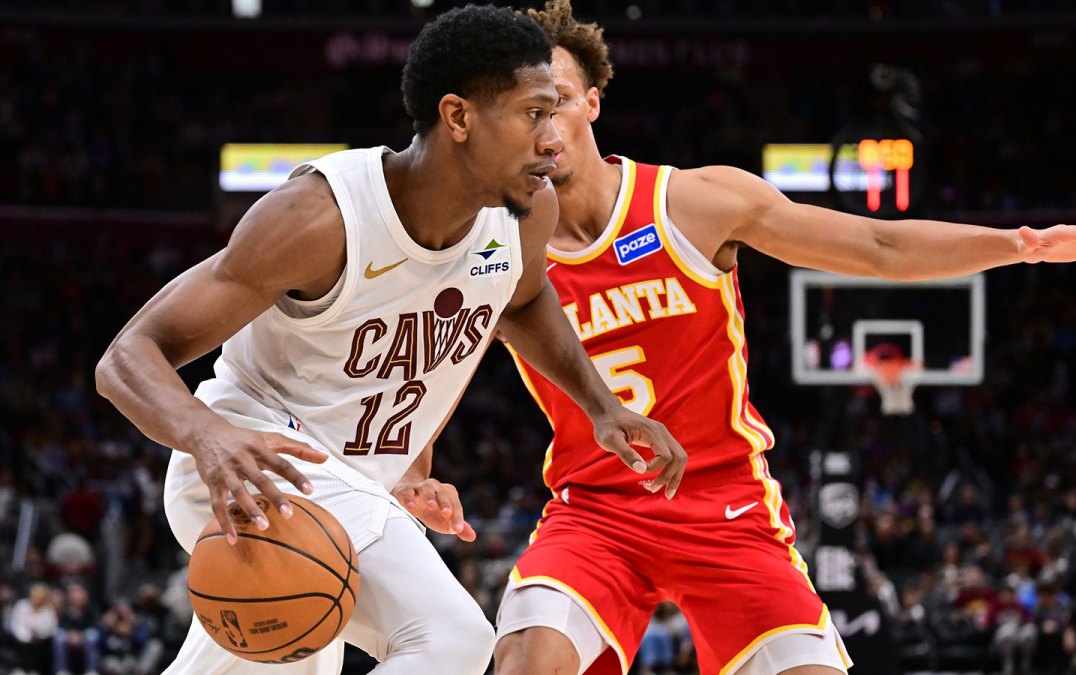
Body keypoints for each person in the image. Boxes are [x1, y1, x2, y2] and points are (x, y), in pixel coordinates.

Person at [491, 2, 1076, 674]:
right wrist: (420, 469)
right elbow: (434, 348)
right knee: (529, 659)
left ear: (593, 103)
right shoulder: (497, 247)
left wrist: (1023, 245)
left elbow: (881, 244)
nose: (547, 127)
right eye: (527, 110)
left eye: (560, 101)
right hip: (597, 514)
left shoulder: (689, 204)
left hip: (727, 509)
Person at [94, 6, 684, 675]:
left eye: (555, 113)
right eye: (531, 113)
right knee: (450, 636)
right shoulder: (321, 217)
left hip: (349, 485)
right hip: (261, 460)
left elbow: (522, 301)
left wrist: (601, 405)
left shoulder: (524, 211)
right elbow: (127, 356)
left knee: (282, 654)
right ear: (458, 117)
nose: (554, 139)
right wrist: (207, 435)